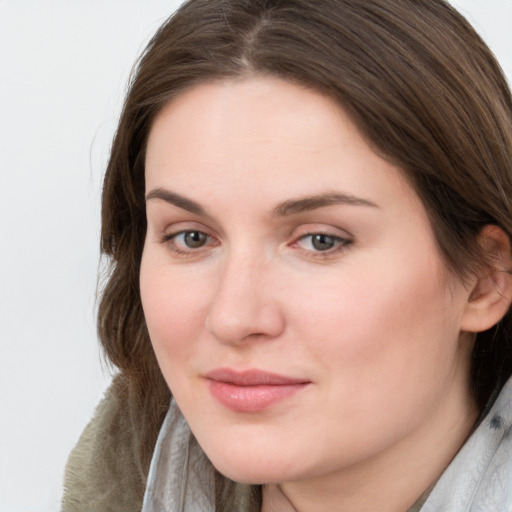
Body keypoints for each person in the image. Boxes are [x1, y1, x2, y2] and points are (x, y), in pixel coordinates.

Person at [61, 0, 512, 510]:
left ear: (484, 277)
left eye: (321, 240)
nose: (232, 317)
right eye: (191, 237)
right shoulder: (120, 474)